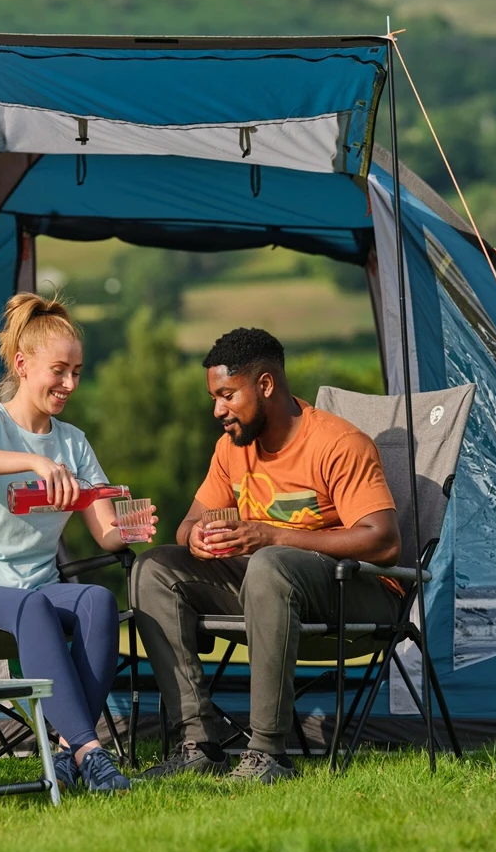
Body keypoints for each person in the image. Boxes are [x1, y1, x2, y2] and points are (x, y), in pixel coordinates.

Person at [131, 326, 402, 785]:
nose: (217, 410)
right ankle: (199, 744)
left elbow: (384, 542)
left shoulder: (338, 444)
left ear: (266, 384)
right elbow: (188, 523)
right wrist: (196, 538)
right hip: (266, 591)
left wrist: (273, 536)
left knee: (269, 562)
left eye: (227, 396)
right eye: (214, 398)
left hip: (354, 595)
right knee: (152, 569)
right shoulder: (231, 450)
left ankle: (267, 753)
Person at [0, 293, 155, 794]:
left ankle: (69, 751)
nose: (69, 384)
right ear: (22, 364)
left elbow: (105, 530)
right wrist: (32, 462)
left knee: (97, 601)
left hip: (35, 591)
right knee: (32, 605)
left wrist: (129, 530)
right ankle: (92, 752)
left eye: (76, 372)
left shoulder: (73, 442)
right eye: (59, 371)